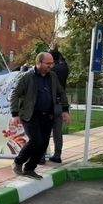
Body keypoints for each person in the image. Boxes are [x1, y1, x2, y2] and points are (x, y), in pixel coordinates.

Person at [10, 52, 71, 180]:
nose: (51, 66)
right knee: (36, 140)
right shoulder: (27, 77)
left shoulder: (53, 77)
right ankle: (18, 161)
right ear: (38, 63)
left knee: (43, 144)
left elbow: (61, 92)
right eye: (48, 63)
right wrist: (15, 114)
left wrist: (65, 110)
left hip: (47, 116)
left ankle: (29, 168)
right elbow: (15, 94)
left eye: (52, 63)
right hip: (30, 115)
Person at [47, 43, 70, 163]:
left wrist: (50, 51)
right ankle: (57, 155)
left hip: (48, 104)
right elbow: (63, 62)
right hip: (60, 104)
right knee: (57, 131)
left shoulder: (50, 71)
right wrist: (55, 50)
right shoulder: (64, 69)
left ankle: (40, 156)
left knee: (44, 130)